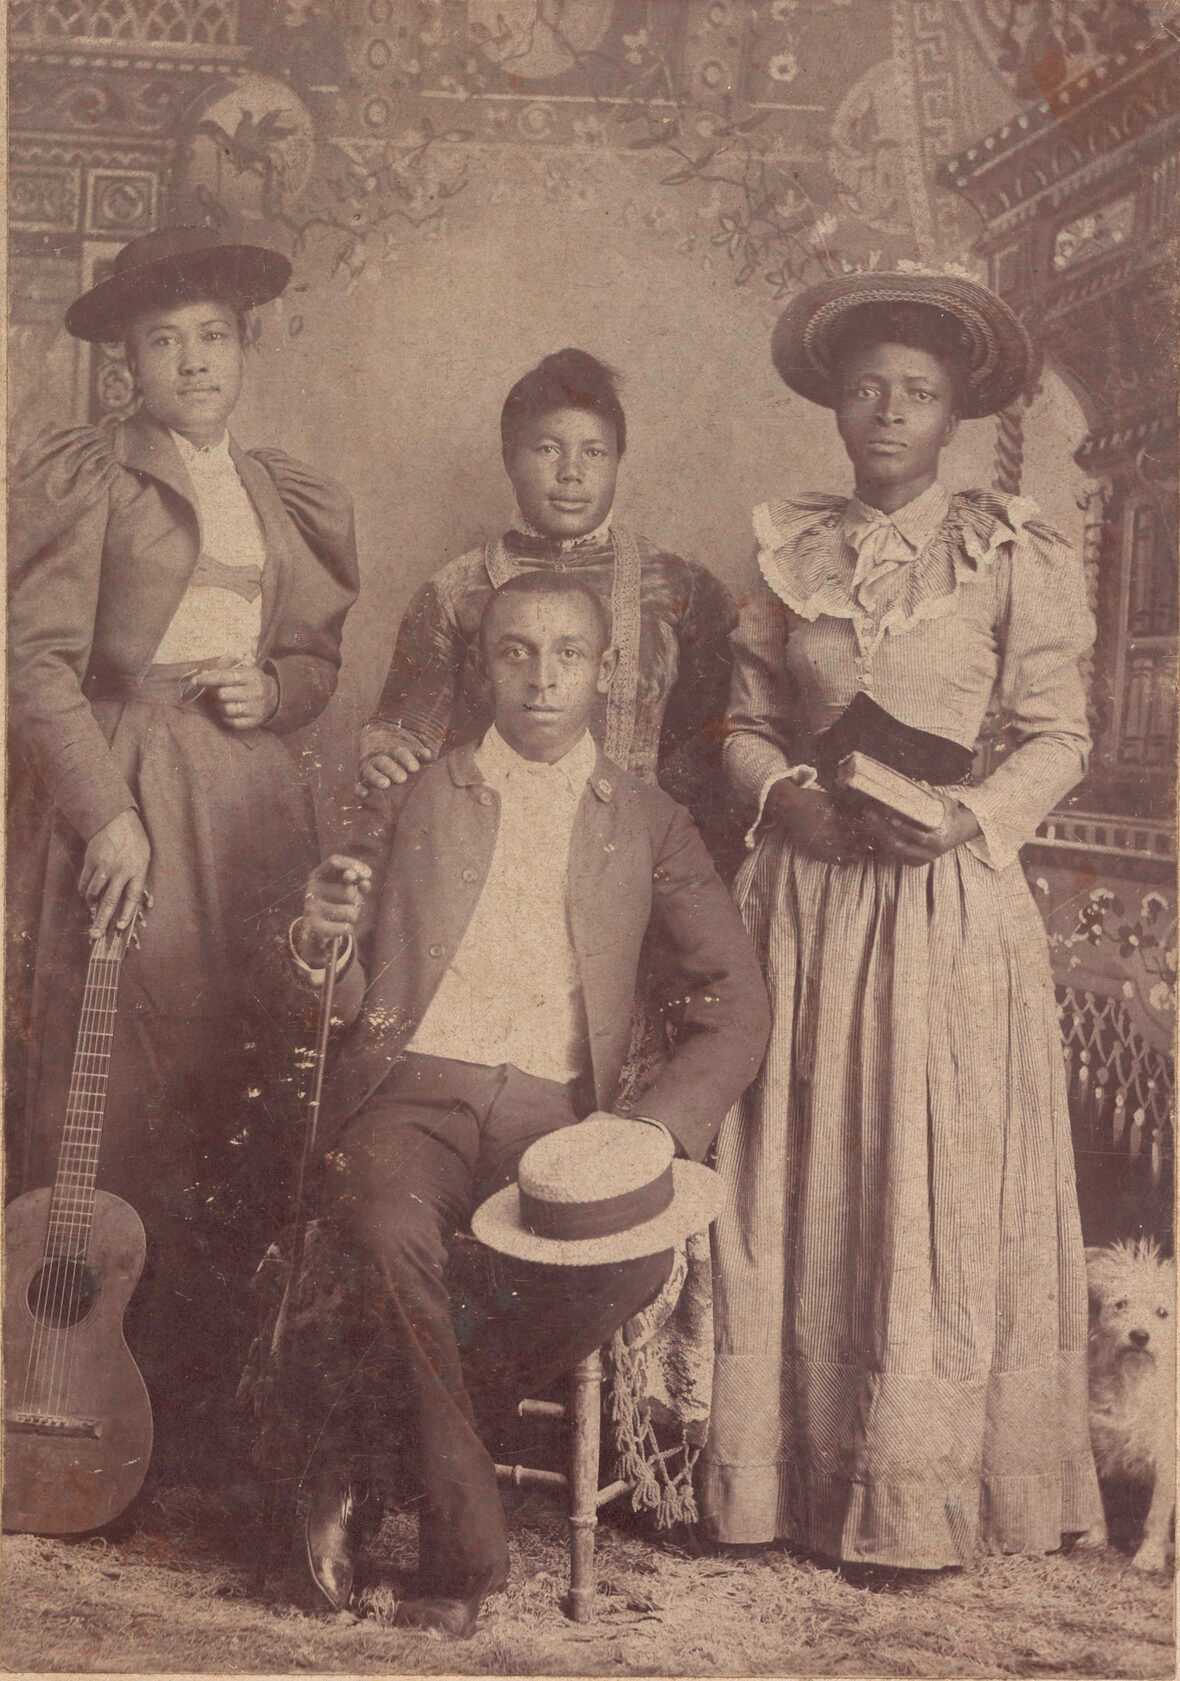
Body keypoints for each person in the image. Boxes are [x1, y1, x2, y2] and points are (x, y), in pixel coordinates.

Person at [700, 269, 1104, 1567]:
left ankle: (917, 1487)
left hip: (942, 902)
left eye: (917, 394)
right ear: (834, 403)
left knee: (928, 1165)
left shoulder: (1009, 546)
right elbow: (742, 726)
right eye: (867, 387)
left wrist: (968, 818)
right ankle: (780, 1486)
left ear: (955, 415)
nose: (887, 412)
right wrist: (784, 800)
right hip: (809, 901)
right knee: (801, 1165)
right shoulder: (787, 547)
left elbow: (1058, 735)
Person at [288, 570, 769, 1633]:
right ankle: (463, 1560)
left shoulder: (648, 821)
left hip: (558, 1118)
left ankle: (370, 1458)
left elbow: (734, 1003)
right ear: (482, 665)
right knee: (383, 1222)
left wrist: (646, 1131)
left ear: (605, 672)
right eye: (515, 651)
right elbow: (338, 972)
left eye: (567, 655)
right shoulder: (417, 790)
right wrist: (322, 936)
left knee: (632, 1255)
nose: (541, 678)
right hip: (415, 1088)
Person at [6, 226, 359, 1482]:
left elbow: (317, 659)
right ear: (129, 361)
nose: (195, 360)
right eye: (166, 340)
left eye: (214, 335)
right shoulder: (89, 475)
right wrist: (105, 811)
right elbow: (36, 662)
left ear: (246, 346)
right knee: (122, 1082)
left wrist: (278, 685)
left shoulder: (281, 490)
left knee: (241, 1071)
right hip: (133, 782)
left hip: (255, 810)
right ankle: (82, 1398)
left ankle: (206, 1418)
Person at [357, 346, 738, 867]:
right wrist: (386, 753)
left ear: (618, 460)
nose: (571, 473)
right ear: (510, 457)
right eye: (548, 450)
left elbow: (713, 736)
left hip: (642, 861)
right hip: (491, 858)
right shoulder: (454, 591)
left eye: (594, 453)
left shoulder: (680, 587)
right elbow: (407, 734)